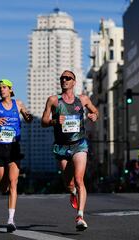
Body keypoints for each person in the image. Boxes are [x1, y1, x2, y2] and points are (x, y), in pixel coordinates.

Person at [41, 70, 99, 231]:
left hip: (79, 144)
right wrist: (54, 120)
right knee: (69, 183)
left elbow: (95, 111)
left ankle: (80, 216)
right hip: (61, 146)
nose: (65, 80)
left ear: (74, 82)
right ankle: (72, 191)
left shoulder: (83, 99)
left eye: (68, 78)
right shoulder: (53, 100)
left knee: (80, 180)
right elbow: (43, 121)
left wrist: (94, 116)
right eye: (62, 78)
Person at [0, 78, 33, 232]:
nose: (1, 90)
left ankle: (10, 220)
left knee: (13, 182)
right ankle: (3, 186)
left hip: (14, 147)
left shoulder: (18, 104)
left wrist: (28, 117)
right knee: (4, 185)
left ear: (10, 89)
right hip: (0, 148)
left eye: (4, 87)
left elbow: (28, 118)